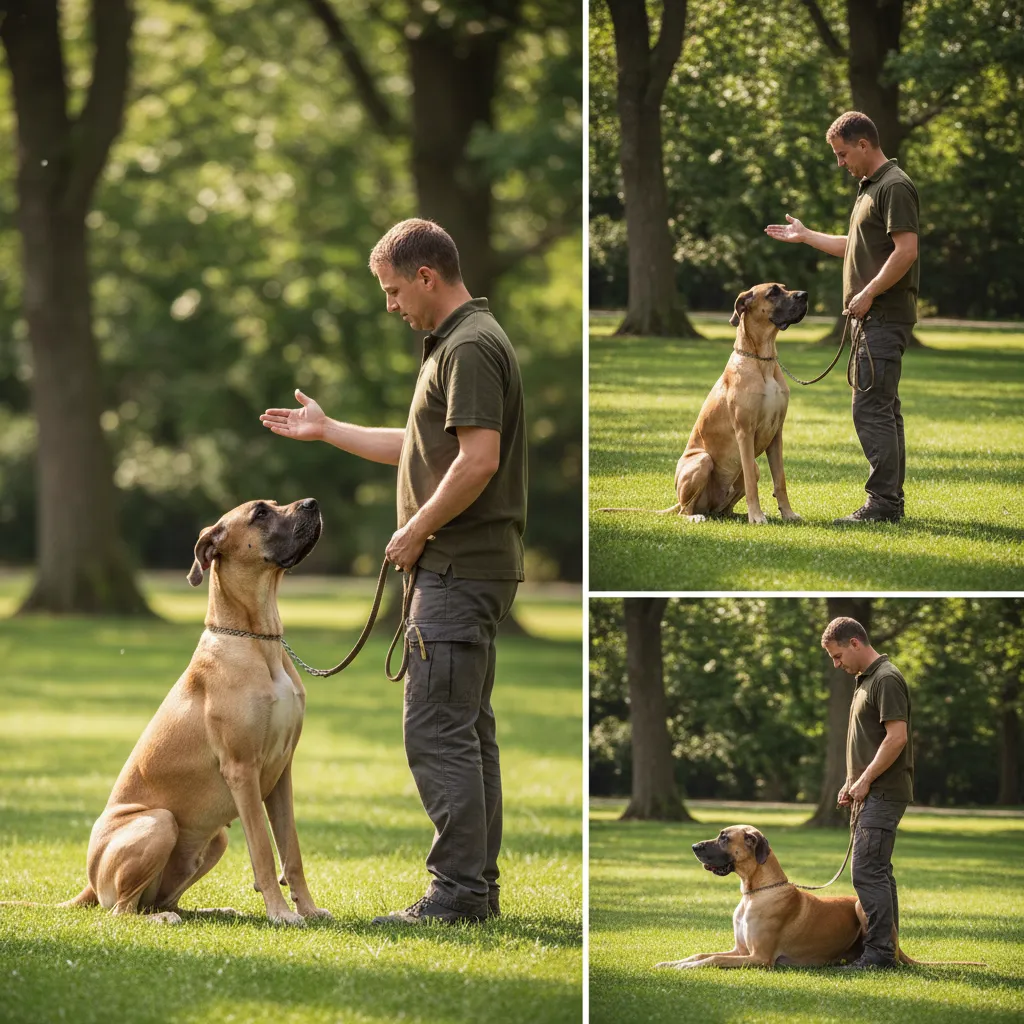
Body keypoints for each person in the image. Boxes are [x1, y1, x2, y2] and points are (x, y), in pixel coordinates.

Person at [260, 218, 527, 925]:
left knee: (439, 730)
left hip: (456, 569)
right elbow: (419, 449)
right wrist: (328, 429)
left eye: (391, 290)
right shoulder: (456, 344)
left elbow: (479, 460)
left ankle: (458, 894)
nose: (390, 305)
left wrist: (417, 528)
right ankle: (477, 890)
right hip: (468, 568)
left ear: (426, 277)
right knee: (468, 732)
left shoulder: (468, 347)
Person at [766, 111, 920, 524]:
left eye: (842, 154)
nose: (840, 163)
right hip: (874, 318)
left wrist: (867, 294)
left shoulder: (894, 186)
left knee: (870, 409)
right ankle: (890, 501)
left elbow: (906, 251)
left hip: (884, 317)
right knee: (885, 409)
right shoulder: (870, 188)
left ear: (864, 144)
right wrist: (807, 236)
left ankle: (883, 505)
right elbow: (855, 246)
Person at [820, 615, 914, 969]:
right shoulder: (866, 680)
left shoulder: (886, 679)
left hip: (884, 793)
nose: (836, 664)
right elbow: (869, 741)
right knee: (878, 872)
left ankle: (877, 956)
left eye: (838, 655)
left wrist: (866, 780)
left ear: (855, 643)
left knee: (867, 872)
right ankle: (886, 950)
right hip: (871, 791)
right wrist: (851, 781)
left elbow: (896, 738)